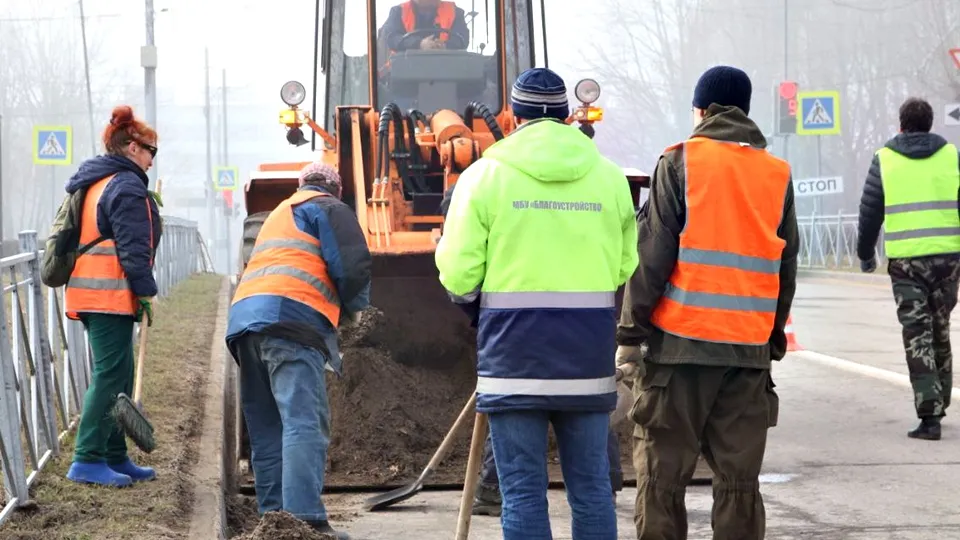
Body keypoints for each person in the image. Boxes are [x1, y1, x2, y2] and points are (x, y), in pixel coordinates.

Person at [436, 67, 638, 540]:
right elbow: (624, 266)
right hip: (587, 360)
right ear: (568, 116)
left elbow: (459, 273)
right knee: (590, 490)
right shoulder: (608, 178)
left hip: (513, 357)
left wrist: (475, 307)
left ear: (513, 117)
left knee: (522, 492)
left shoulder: (484, 176)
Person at [617, 65, 799, 540]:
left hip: (680, 349)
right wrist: (771, 340)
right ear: (745, 112)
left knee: (661, 478)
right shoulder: (776, 174)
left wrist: (629, 335)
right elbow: (786, 266)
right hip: (747, 353)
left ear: (701, 110)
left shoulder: (680, 163)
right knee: (738, 483)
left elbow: (651, 257)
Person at [225, 162, 372, 539]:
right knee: (303, 421)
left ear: (302, 184)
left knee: (268, 427)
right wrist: (355, 310)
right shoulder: (331, 208)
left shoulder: (280, 212)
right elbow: (352, 267)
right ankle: (305, 520)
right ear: (335, 190)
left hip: (244, 324)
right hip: (291, 323)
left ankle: (273, 520)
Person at [63, 105, 162, 488]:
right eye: (151, 150)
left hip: (96, 294)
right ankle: (87, 458)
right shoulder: (125, 185)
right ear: (132, 147)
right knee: (109, 375)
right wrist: (146, 291)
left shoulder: (101, 181)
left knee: (120, 371)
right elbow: (133, 248)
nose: (153, 159)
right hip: (106, 295)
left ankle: (115, 455)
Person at [856, 97, 960, 441]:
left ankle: (929, 415)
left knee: (918, 333)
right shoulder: (951, 155)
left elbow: (870, 212)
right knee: (940, 327)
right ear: (930, 124)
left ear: (901, 125)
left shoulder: (884, 159)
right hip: (948, 260)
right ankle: (939, 401)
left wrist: (866, 253)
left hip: (906, 263)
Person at [379, 0, 470, 51]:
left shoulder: (454, 11)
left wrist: (444, 46)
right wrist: (419, 44)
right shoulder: (398, 11)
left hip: (447, 70)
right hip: (405, 71)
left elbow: (462, 38)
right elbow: (392, 37)